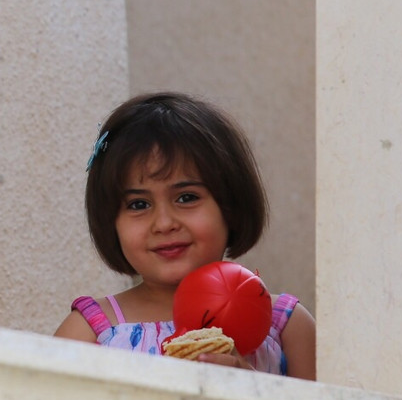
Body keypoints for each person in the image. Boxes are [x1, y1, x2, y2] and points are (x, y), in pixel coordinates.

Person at [53, 92, 316, 379]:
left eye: (187, 197)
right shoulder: (89, 334)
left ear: (230, 205)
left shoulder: (286, 326)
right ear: (110, 222)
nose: (164, 223)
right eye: (138, 204)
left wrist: (253, 389)